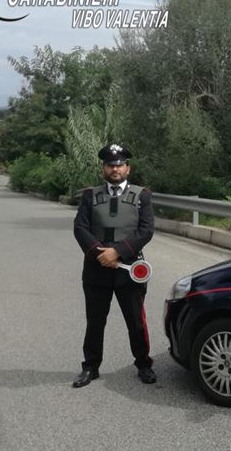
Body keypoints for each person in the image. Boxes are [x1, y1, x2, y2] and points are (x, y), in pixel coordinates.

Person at [72, 143, 156, 388]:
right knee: (95, 321)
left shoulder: (143, 196)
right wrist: (101, 253)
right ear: (104, 168)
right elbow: (80, 228)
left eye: (120, 165)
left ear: (128, 168)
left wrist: (117, 252)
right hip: (97, 268)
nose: (115, 169)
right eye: (111, 165)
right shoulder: (89, 195)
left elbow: (146, 230)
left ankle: (143, 364)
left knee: (136, 321)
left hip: (129, 269)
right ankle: (90, 367)